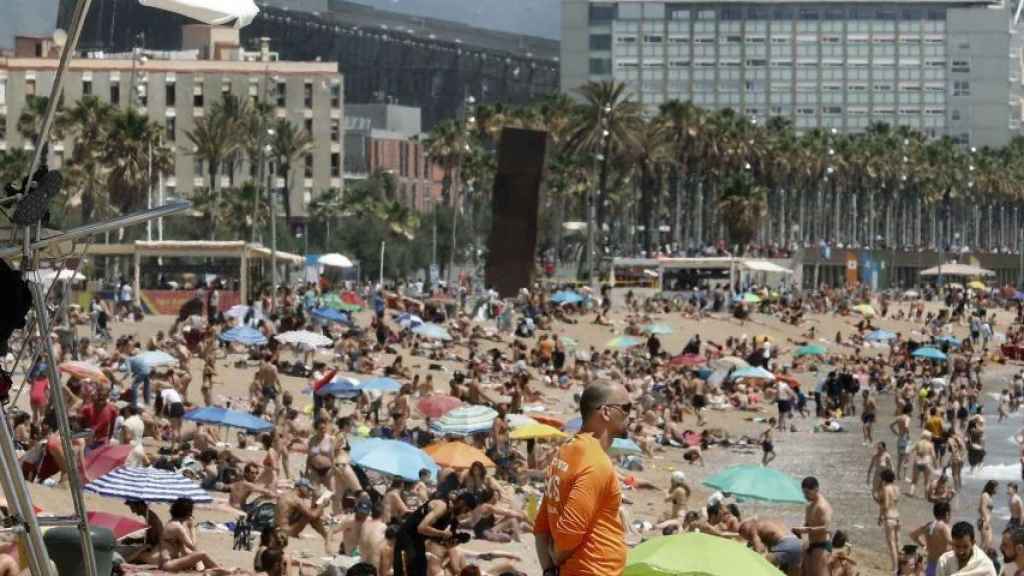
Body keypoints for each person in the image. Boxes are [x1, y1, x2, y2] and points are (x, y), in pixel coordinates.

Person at [534, 382, 629, 576]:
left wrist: (549, 569)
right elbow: (569, 533)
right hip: (593, 569)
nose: (630, 414)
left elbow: (542, 522)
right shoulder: (595, 463)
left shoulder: (565, 451)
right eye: (626, 408)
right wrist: (556, 559)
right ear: (605, 412)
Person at [392, 490, 480, 576]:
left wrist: (453, 542)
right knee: (405, 571)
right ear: (461, 502)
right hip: (406, 537)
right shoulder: (442, 506)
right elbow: (421, 528)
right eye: (466, 510)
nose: (465, 513)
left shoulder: (452, 517)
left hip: (418, 541)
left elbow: (442, 542)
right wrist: (442, 533)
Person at [159, 497, 225, 573]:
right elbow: (193, 546)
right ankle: (220, 570)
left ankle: (216, 569)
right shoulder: (177, 527)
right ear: (188, 513)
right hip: (168, 564)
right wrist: (192, 528)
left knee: (199, 557)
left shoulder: (171, 523)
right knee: (202, 554)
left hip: (169, 563)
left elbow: (185, 550)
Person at [276, 479, 331, 553]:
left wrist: (317, 506)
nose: (309, 492)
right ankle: (326, 536)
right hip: (287, 531)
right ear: (301, 487)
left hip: (279, 529)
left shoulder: (287, 495)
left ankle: (326, 535)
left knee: (309, 512)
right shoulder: (296, 499)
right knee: (309, 515)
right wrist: (322, 505)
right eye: (308, 489)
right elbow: (313, 515)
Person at [794, 476, 832, 576]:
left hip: (821, 545)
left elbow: (826, 528)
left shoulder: (823, 506)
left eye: (807, 493)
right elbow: (807, 524)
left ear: (816, 489)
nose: (805, 496)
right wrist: (800, 530)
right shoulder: (809, 506)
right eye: (804, 493)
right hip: (809, 544)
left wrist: (808, 530)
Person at [909, 502, 952, 576]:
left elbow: (913, 535)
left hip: (931, 565)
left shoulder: (929, 525)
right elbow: (953, 542)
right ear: (947, 514)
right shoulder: (944, 527)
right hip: (942, 566)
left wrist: (924, 546)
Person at [878, 468, 902, 575]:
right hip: (897, 516)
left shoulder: (886, 489)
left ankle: (895, 567)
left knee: (891, 543)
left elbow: (886, 505)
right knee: (898, 543)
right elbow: (896, 501)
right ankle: (901, 565)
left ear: (884, 479)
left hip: (889, 518)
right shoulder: (896, 488)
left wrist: (880, 516)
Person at [981, 481, 999, 553]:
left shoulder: (989, 496)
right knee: (986, 543)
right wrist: (986, 521)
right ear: (991, 487)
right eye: (996, 488)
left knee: (987, 542)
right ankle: (975, 558)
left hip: (987, 521)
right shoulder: (985, 495)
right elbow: (982, 508)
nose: (997, 490)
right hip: (984, 521)